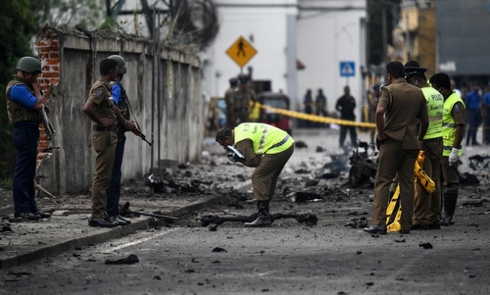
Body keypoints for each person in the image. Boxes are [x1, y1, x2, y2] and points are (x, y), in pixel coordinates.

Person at [364, 61, 428, 235]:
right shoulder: (417, 93)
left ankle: (379, 223)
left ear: (389, 76)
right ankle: (405, 225)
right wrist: (420, 139)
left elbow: (379, 112)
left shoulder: (388, 90)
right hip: (411, 143)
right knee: (407, 183)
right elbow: (425, 121)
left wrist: (382, 134)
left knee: (383, 182)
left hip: (392, 142)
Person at [83, 58, 139, 228]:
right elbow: (87, 107)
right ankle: (97, 215)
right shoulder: (101, 87)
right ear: (112, 71)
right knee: (102, 177)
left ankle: (104, 213)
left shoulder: (106, 87)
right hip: (105, 135)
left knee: (106, 176)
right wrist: (102, 121)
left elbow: (112, 107)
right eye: (115, 70)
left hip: (109, 135)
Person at [215, 122, 295, 227]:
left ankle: (263, 216)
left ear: (227, 138)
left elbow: (255, 162)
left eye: (223, 144)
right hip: (287, 142)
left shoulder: (241, 141)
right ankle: (264, 212)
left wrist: (240, 160)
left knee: (258, 176)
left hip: (279, 147)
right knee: (269, 176)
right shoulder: (240, 128)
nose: (225, 148)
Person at [5, 56, 51, 220]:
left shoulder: (25, 87)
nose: (35, 78)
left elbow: (44, 106)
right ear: (25, 73)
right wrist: (37, 90)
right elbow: (38, 104)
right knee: (22, 171)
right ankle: (22, 209)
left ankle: (32, 208)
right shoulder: (17, 88)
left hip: (30, 131)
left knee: (29, 171)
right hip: (23, 131)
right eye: (34, 75)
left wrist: (37, 92)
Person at [404, 60, 444, 230]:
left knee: (422, 181)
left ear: (418, 80)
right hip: (438, 141)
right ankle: (434, 217)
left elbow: (419, 120)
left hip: (425, 141)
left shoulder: (421, 95)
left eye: (411, 82)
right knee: (435, 180)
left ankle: (421, 219)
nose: (410, 86)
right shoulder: (437, 94)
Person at [429, 73, 466, 226]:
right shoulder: (442, 101)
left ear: (442, 89)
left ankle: (448, 216)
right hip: (439, 149)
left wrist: (455, 150)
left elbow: (460, 126)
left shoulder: (455, 103)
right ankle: (437, 215)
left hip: (449, 151)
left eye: (435, 88)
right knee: (437, 182)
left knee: (450, 183)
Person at [106, 55, 134, 226]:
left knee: (110, 174)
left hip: (112, 133)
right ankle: (111, 212)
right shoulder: (115, 86)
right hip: (116, 133)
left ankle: (110, 211)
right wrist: (125, 122)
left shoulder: (105, 85)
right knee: (114, 175)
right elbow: (113, 106)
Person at [464, 82, 482, 146]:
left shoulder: (478, 95)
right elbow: (466, 104)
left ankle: (474, 141)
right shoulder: (469, 95)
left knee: (476, 126)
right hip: (471, 111)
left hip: (477, 111)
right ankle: (467, 141)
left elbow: (479, 102)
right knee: (471, 126)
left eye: (477, 86)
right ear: (473, 87)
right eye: (475, 86)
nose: (476, 87)